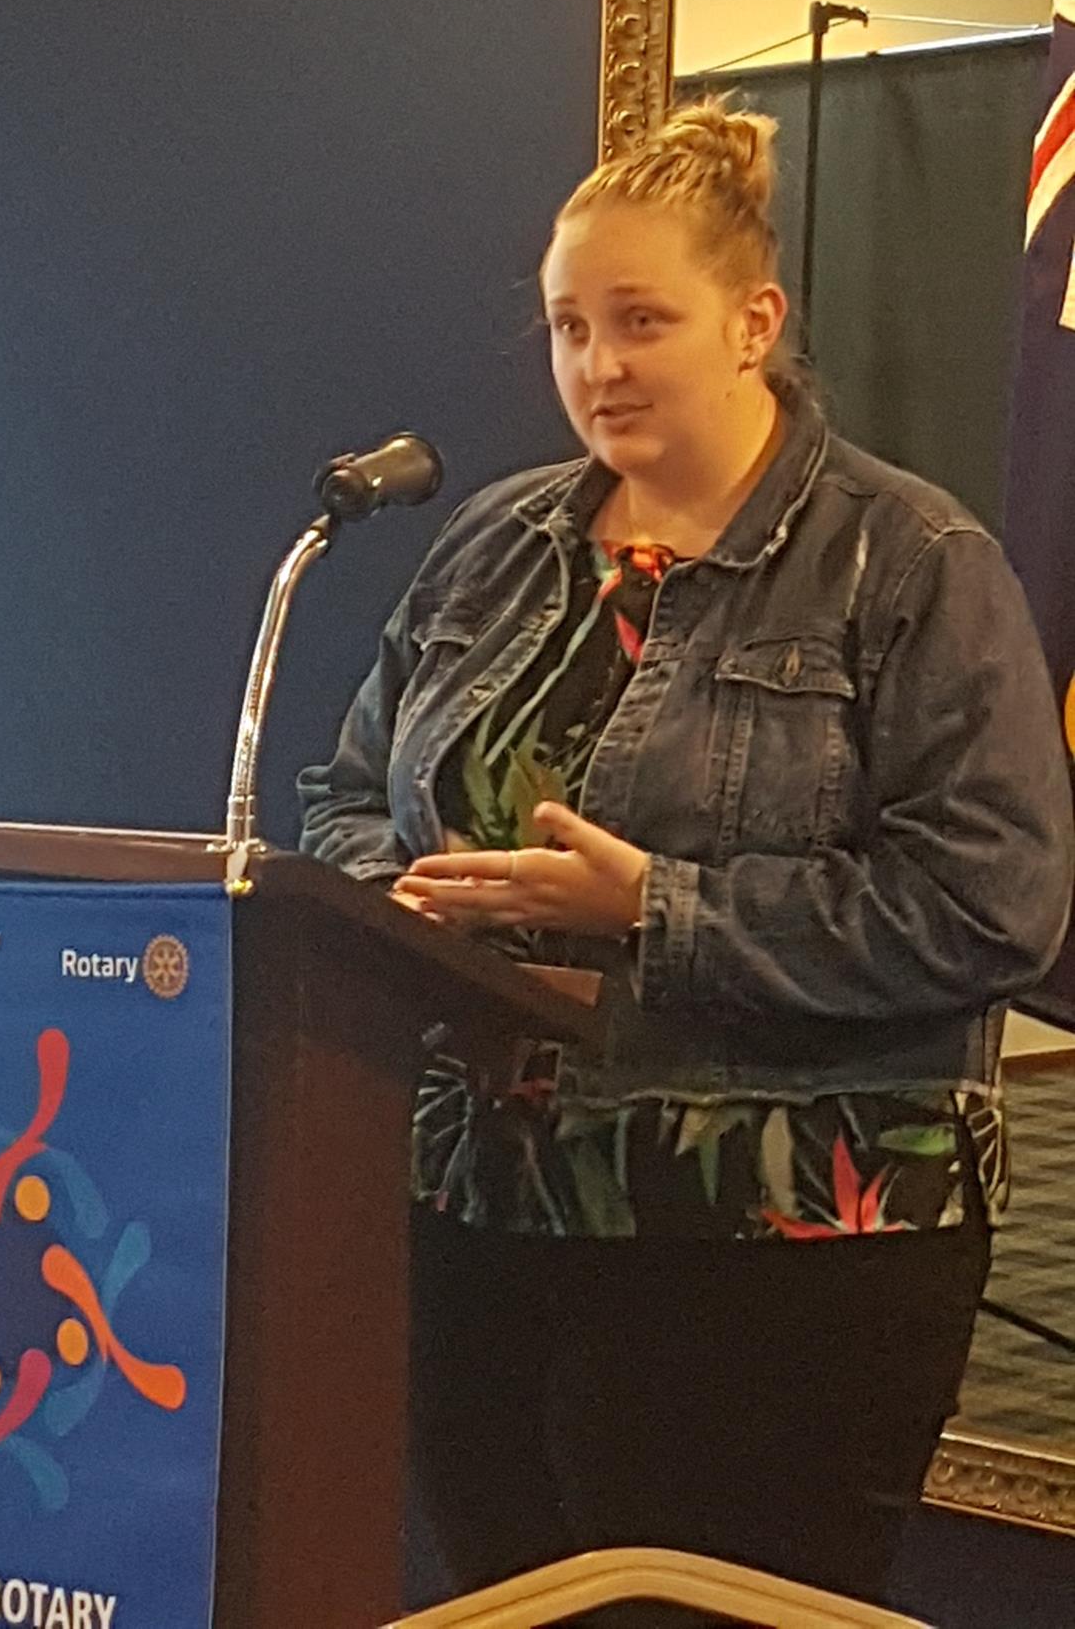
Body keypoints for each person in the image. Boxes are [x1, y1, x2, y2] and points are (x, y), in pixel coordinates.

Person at [297, 102, 1075, 1621]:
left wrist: (656, 909)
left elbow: (994, 904)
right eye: (568, 327)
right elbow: (346, 794)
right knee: (508, 1606)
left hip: (782, 1246)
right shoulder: (495, 545)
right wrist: (411, 909)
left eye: (641, 321)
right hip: (483, 1213)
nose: (598, 364)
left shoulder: (910, 564)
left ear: (753, 324)